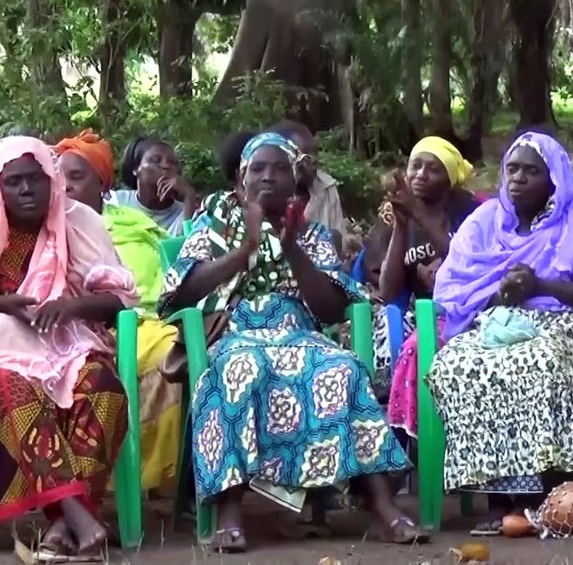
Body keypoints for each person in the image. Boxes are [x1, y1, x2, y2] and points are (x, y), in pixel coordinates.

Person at [159, 132, 423, 553]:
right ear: (240, 179)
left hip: (297, 332)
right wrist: (242, 250)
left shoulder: (312, 233)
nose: (268, 177)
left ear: (295, 181)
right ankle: (229, 511)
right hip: (236, 331)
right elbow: (180, 293)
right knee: (239, 371)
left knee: (343, 368)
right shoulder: (214, 224)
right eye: (258, 169)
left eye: (280, 168)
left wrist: (292, 248)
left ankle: (381, 504)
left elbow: (330, 309)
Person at [0, 136, 138, 560]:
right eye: (14, 181)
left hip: (68, 343)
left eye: (36, 179)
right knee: (9, 391)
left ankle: (61, 530)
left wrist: (70, 306)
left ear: (53, 180)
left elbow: (118, 299)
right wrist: (4, 304)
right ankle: (77, 514)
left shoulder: (79, 220)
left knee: (102, 387)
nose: (27, 189)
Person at [425, 131, 573, 536]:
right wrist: (499, 294)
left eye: (531, 171)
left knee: (535, 363)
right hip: (496, 325)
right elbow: (453, 289)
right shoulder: (484, 222)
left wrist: (541, 286)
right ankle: (497, 499)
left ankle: (540, 498)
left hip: (564, 326)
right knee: (457, 365)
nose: (517, 179)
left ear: (554, 178)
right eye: (512, 169)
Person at [53, 129, 180, 492]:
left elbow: (154, 288)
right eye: (60, 177)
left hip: (141, 321)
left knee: (175, 351)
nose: (66, 186)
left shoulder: (135, 227)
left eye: (77, 177)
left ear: (103, 186)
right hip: (73, 329)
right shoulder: (43, 228)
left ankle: (152, 477)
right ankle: (88, 482)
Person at [357, 136, 479, 433]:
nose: (420, 175)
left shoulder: (469, 210)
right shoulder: (394, 215)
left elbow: (468, 262)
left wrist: (419, 215)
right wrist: (401, 223)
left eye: (433, 169)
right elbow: (388, 292)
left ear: (449, 178)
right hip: (420, 312)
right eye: (416, 166)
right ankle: (407, 430)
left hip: (468, 308)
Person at [272, 121, 345, 244]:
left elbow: (339, 240)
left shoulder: (326, 186)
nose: (309, 165)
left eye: (312, 157)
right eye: (301, 159)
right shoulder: (268, 190)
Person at [109, 135, 198, 236]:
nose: (166, 166)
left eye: (173, 162)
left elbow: (189, 245)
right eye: (156, 160)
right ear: (135, 168)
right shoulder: (116, 202)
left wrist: (189, 196)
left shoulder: (185, 210)